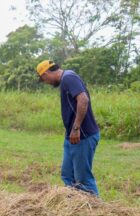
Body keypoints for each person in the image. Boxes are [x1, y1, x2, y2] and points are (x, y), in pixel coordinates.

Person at [36, 60, 100, 196]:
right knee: (67, 176)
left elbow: (83, 100)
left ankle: (97, 211)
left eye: (43, 80)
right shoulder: (66, 79)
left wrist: (76, 128)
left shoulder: (68, 78)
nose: (46, 83)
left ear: (46, 74)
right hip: (71, 137)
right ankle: (74, 207)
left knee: (83, 179)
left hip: (82, 136)